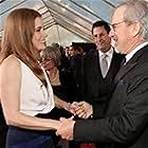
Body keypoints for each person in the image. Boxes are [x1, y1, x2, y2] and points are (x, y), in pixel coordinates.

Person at [56, 0, 148, 148]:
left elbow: (127, 125)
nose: (111, 34)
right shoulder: (131, 60)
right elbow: (121, 106)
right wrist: (94, 109)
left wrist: (76, 129)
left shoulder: (144, 66)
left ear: (135, 28)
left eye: (115, 27)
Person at [0, 8, 61, 148]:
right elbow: (12, 117)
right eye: (39, 30)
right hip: (25, 141)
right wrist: (57, 124)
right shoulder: (11, 64)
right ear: (23, 34)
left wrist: (66, 105)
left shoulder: (33, 62)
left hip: (44, 136)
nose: (45, 34)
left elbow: (41, 95)